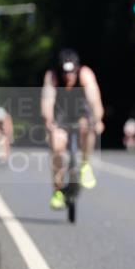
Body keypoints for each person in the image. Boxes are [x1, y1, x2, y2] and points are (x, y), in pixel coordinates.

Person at [41, 49, 104, 210]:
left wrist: (97, 120)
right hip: (61, 114)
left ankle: (85, 164)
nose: (68, 76)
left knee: (87, 127)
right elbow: (47, 101)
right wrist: (48, 121)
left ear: (77, 69)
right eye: (65, 72)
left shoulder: (85, 75)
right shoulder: (52, 76)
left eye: (71, 72)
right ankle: (57, 191)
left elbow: (95, 101)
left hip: (81, 111)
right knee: (57, 148)